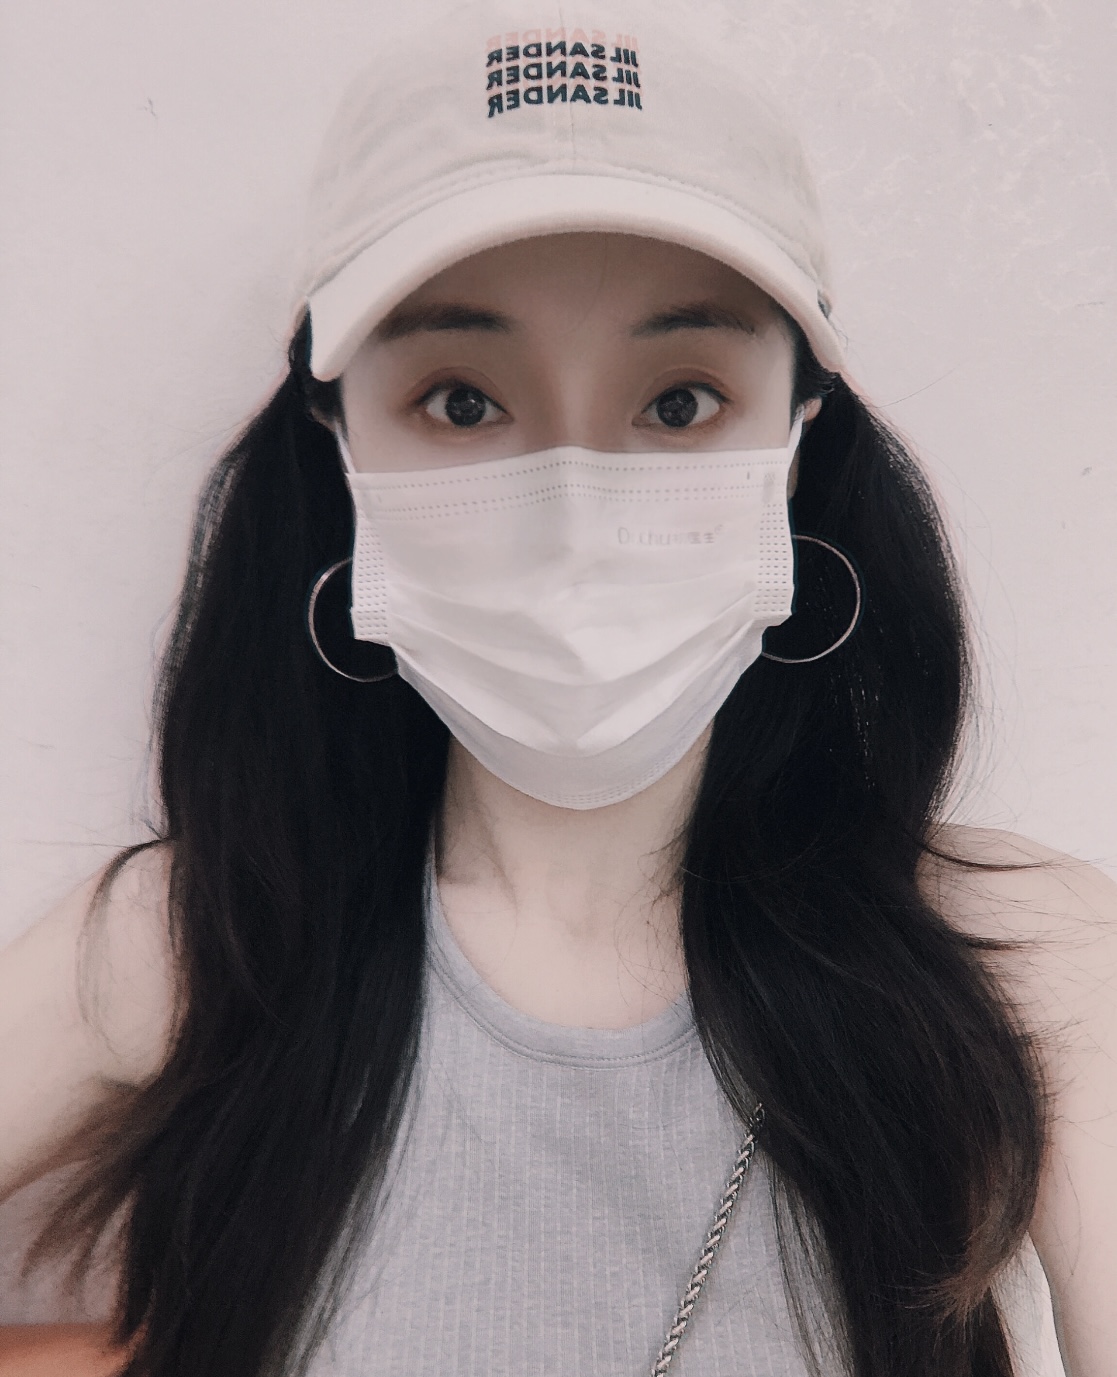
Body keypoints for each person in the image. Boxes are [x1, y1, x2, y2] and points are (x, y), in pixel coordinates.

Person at [0, 2, 1113, 1375]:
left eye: (680, 400)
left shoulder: (1025, 960)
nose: (576, 509)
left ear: (799, 439)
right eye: (462, 400)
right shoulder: (197, 940)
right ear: (337, 446)